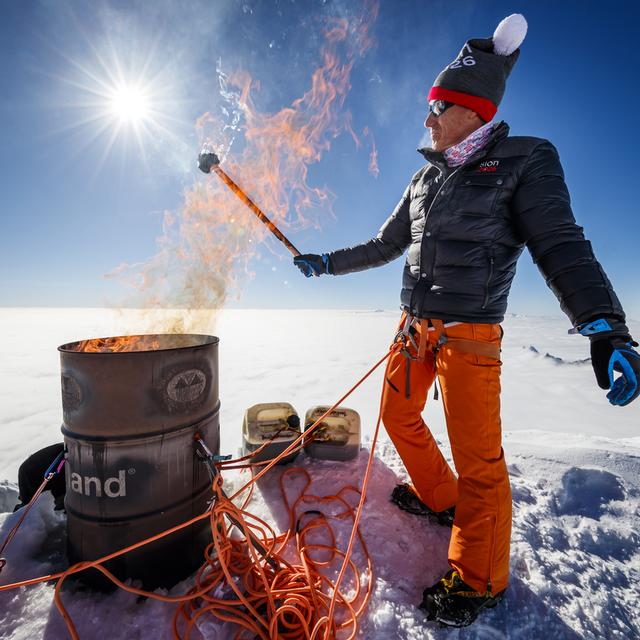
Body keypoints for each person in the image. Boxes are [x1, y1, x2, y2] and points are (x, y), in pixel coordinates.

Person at [293, 13, 640, 628]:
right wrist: (325, 263)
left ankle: (479, 578)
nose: (425, 118)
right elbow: (383, 245)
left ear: (470, 109)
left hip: (469, 335)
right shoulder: (425, 176)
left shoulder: (524, 159)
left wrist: (604, 325)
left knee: (480, 460)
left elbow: (560, 243)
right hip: (412, 328)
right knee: (398, 415)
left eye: (436, 107)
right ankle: (441, 499)